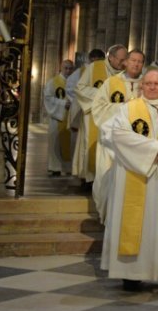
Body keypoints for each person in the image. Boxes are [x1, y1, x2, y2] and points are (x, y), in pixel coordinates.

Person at [98, 70, 158, 291]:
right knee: (137, 223)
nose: (152, 87)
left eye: (157, 84)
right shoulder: (127, 110)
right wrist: (155, 149)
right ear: (142, 86)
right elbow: (115, 134)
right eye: (148, 83)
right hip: (137, 175)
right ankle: (132, 273)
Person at [92, 50, 146, 222]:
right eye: (133, 60)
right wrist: (124, 107)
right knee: (107, 177)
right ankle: (106, 215)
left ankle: (128, 217)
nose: (136, 64)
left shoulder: (148, 84)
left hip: (137, 144)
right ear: (126, 62)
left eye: (140, 61)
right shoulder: (111, 82)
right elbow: (98, 108)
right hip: (111, 141)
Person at [72, 44, 126, 184]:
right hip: (94, 114)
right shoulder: (95, 67)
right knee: (91, 144)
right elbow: (80, 88)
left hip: (115, 116)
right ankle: (89, 178)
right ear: (111, 57)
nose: (123, 62)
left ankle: (109, 177)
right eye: (121, 59)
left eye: (125, 59)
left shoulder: (125, 73)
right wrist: (102, 95)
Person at [43, 59, 76, 176]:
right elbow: (47, 98)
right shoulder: (53, 82)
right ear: (60, 68)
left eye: (70, 68)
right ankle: (55, 167)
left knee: (72, 144)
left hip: (71, 119)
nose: (68, 71)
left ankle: (69, 168)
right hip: (57, 119)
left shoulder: (76, 83)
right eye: (65, 68)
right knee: (55, 144)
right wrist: (62, 104)